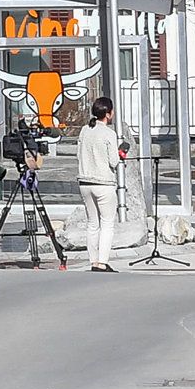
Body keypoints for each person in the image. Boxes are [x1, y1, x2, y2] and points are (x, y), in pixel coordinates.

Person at [73, 98, 128, 271]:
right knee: (107, 224)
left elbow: (78, 155)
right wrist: (120, 154)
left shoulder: (84, 130)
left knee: (92, 223)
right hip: (103, 183)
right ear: (108, 114)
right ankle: (102, 262)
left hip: (84, 181)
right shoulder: (109, 134)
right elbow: (113, 161)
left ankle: (93, 261)